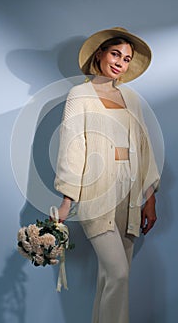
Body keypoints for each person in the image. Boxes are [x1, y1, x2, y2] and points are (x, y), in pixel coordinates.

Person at [54, 27, 161, 323]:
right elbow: (72, 146)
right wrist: (66, 200)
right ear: (100, 53)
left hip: (130, 196)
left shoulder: (132, 99)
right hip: (96, 193)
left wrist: (149, 200)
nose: (120, 63)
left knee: (109, 279)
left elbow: (144, 148)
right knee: (119, 275)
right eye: (115, 54)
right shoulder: (80, 95)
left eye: (126, 59)